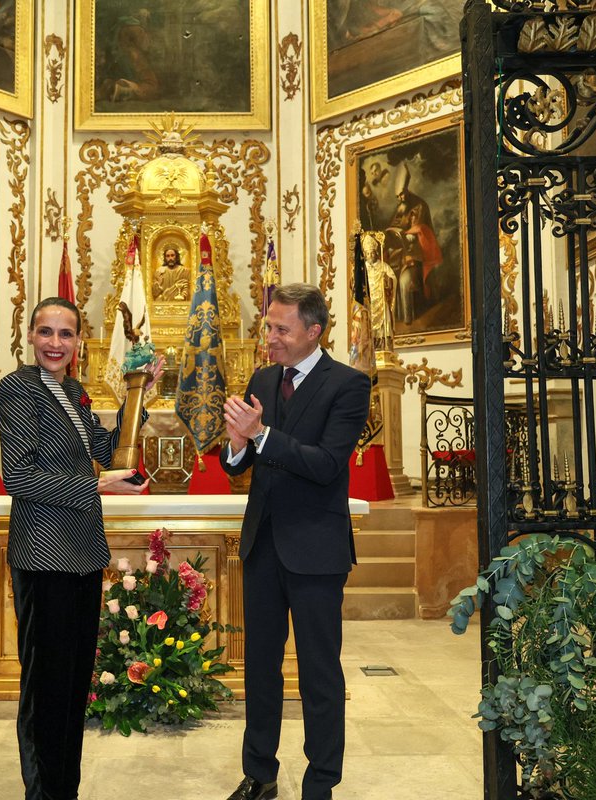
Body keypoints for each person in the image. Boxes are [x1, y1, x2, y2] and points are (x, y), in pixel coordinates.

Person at [0, 296, 162, 800]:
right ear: (29, 335)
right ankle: (43, 792)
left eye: (65, 334)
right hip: (44, 556)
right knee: (46, 688)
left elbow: (105, 452)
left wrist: (138, 394)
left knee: (72, 685)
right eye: (46, 332)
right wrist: (97, 488)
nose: (55, 343)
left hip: (84, 554)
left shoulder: (74, 392)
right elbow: (19, 476)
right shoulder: (18, 388)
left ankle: (64, 787)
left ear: (77, 343)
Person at [220, 283, 370, 800]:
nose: (270, 338)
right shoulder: (263, 377)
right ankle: (259, 775)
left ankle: (320, 784)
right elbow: (238, 462)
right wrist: (238, 445)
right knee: (260, 670)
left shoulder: (349, 384)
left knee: (318, 676)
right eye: (268, 326)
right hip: (262, 546)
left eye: (281, 329)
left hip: (316, 551)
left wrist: (260, 437)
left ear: (314, 330)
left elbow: (328, 466)